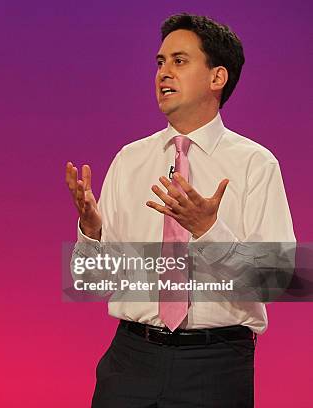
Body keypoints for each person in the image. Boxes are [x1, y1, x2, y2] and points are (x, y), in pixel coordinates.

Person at [65, 13, 296, 407]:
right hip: (130, 360)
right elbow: (92, 284)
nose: (163, 73)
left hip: (216, 364)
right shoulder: (130, 160)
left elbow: (280, 280)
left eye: (179, 61)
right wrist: (91, 232)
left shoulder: (256, 164)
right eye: (160, 63)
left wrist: (208, 231)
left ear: (217, 77)